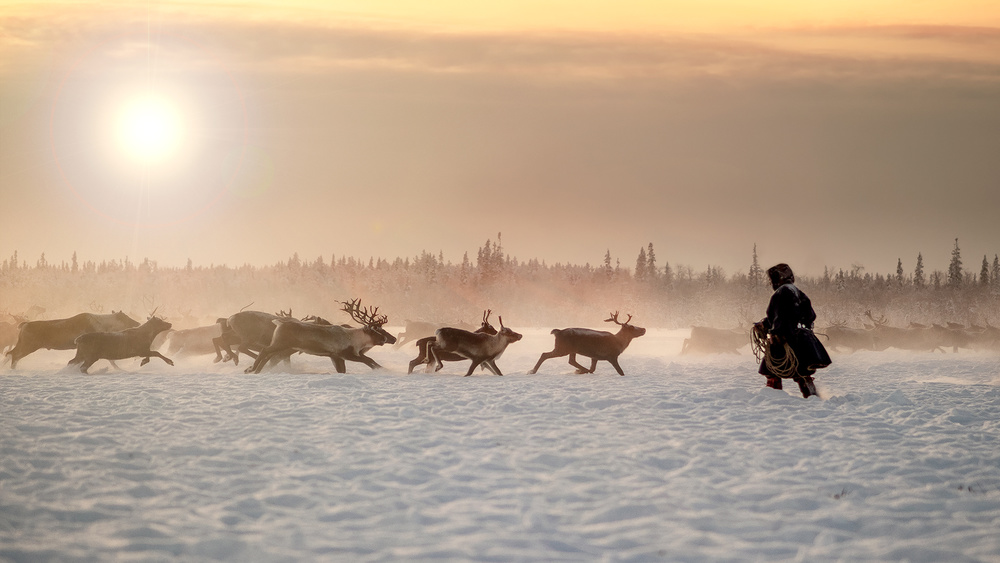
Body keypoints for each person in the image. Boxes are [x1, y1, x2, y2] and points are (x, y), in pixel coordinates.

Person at [753, 263, 831, 398]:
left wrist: (777, 333)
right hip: (803, 339)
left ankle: (773, 398)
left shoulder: (782, 292)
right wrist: (765, 323)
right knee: (802, 371)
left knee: (771, 370)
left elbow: (782, 316)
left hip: (786, 338)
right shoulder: (797, 292)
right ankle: (812, 396)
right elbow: (809, 316)